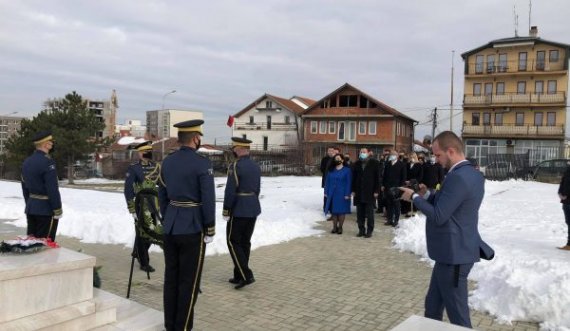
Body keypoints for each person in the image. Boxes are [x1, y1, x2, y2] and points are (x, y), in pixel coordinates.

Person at [399, 131, 494, 328]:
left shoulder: (458, 177)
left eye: (438, 155)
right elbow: (452, 202)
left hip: (455, 255)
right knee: (432, 306)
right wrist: (427, 194)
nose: (436, 159)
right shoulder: (471, 174)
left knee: (458, 315)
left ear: (451, 151)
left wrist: (414, 198)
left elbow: (440, 215)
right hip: (449, 254)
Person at [158, 119, 216, 331]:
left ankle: (170, 324)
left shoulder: (167, 162)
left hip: (171, 226)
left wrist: (169, 216)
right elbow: (208, 199)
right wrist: (209, 227)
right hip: (192, 227)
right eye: (199, 137)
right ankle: (182, 328)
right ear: (195, 138)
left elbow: (162, 194)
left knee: (171, 277)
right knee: (189, 283)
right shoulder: (202, 164)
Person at [223, 137, 261, 289]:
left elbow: (230, 190)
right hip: (252, 206)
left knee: (233, 241)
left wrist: (227, 209)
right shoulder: (255, 165)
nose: (233, 151)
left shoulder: (235, 165)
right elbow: (257, 188)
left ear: (238, 149)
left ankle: (246, 275)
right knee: (245, 242)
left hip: (239, 208)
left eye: (234, 148)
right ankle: (238, 274)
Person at [124, 141, 161, 273]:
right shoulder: (134, 168)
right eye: (142, 152)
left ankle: (137, 251)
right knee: (143, 234)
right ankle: (144, 262)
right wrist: (132, 208)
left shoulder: (157, 167)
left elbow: (161, 186)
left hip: (154, 205)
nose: (144, 154)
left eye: (146, 151)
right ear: (139, 154)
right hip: (141, 206)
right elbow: (128, 190)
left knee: (152, 232)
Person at [21, 130, 62, 241]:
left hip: (31, 208)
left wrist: (30, 204)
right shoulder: (48, 162)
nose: (52, 143)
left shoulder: (27, 162)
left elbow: (24, 187)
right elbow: (52, 188)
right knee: (44, 245)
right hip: (45, 210)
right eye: (50, 141)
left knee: (31, 244)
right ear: (45, 144)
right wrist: (57, 209)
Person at [352, 147, 380, 238]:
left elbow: (378, 178)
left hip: (370, 192)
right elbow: (353, 178)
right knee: (360, 213)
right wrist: (353, 190)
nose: (362, 153)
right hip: (359, 191)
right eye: (361, 152)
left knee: (370, 213)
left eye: (364, 152)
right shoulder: (356, 163)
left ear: (368, 153)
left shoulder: (374, 163)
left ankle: (369, 231)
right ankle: (361, 230)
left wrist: (376, 190)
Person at [324, 153, 352, 235]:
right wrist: (326, 192)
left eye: (339, 158)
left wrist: (347, 194)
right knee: (334, 211)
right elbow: (327, 182)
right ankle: (334, 227)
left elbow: (348, 183)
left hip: (342, 194)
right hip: (332, 193)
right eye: (335, 158)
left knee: (341, 211)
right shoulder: (331, 170)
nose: (337, 160)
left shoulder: (347, 170)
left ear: (342, 160)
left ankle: (340, 227)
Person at [382, 150, 406, 227]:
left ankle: (396, 220)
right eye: (391, 154)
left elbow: (403, 177)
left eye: (393, 154)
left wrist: (401, 187)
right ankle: (389, 219)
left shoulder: (401, 164)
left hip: (397, 187)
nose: (391, 156)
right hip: (388, 187)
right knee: (389, 204)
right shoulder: (388, 164)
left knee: (396, 204)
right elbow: (384, 175)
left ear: (397, 156)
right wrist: (383, 185)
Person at [402, 152, 423, 217]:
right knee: (407, 197)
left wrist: (412, 181)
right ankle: (407, 211)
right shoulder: (407, 164)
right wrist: (405, 181)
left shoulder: (419, 165)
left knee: (413, 197)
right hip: (407, 183)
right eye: (410, 157)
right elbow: (404, 173)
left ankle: (413, 211)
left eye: (413, 157)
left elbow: (420, 176)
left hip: (414, 184)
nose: (412, 158)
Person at [557, 163, 570, 250]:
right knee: (569, 222)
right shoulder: (568, 169)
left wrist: (566, 194)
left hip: (568, 200)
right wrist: (560, 192)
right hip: (566, 201)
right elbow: (563, 182)